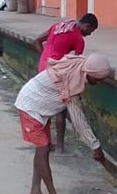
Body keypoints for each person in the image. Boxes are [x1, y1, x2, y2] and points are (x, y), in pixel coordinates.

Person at [14, 53, 111, 194]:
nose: (99, 83)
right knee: (43, 149)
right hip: (30, 107)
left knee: (42, 150)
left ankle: (35, 192)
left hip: (41, 110)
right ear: (89, 73)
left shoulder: (81, 67)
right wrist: (95, 146)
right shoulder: (72, 82)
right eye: (98, 80)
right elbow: (78, 120)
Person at [33, 13, 99, 152]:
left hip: (43, 70)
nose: (90, 34)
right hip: (57, 75)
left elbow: (36, 41)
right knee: (60, 111)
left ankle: (45, 143)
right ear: (87, 26)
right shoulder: (78, 39)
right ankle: (60, 147)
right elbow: (76, 66)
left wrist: (44, 58)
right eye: (91, 31)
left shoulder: (59, 26)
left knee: (45, 109)